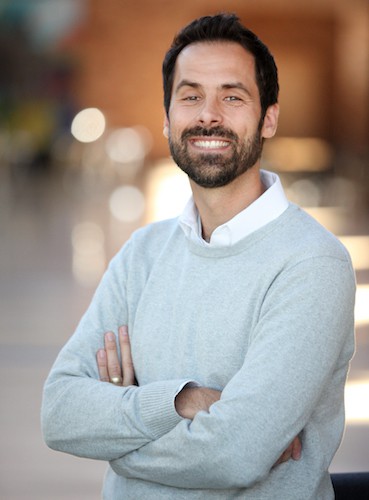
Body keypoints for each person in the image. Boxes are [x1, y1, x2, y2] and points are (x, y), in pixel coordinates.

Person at [41, 13, 356, 499]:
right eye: (190, 96)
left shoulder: (311, 264)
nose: (208, 115)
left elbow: (236, 452)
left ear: (268, 117)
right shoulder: (141, 254)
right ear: (168, 118)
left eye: (232, 96)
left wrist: (116, 438)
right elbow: (60, 412)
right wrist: (180, 400)